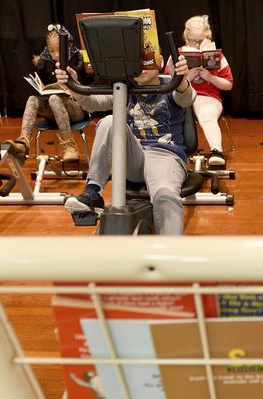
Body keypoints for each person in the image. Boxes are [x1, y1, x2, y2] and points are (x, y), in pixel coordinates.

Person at [56, 54, 196, 235]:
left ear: (160, 62)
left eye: (148, 61)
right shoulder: (124, 89)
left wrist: (181, 78)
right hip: (135, 156)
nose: (142, 68)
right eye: (136, 63)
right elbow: (91, 103)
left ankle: (170, 255)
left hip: (165, 155)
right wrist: (72, 86)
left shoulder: (171, 84)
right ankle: (93, 191)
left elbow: (186, 98)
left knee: (165, 196)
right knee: (109, 121)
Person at [4, 24, 88, 165]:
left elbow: (87, 87)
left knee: (55, 99)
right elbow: (43, 90)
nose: (55, 55)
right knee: (33, 99)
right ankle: (23, 144)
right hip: (54, 109)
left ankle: (70, 146)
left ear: (68, 45)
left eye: (59, 50)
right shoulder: (44, 62)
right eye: (51, 50)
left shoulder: (78, 59)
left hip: (77, 108)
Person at [174, 15, 233, 168]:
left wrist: (210, 78)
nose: (197, 44)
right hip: (181, 94)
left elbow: (228, 84)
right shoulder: (178, 54)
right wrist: (186, 77)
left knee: (207, 115)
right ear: (186, 38)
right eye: (193, 40)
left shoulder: (217, 56)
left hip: (208, 96)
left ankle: (216, 151)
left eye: (201, 41)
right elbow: (167, 80)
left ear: (208, 39)